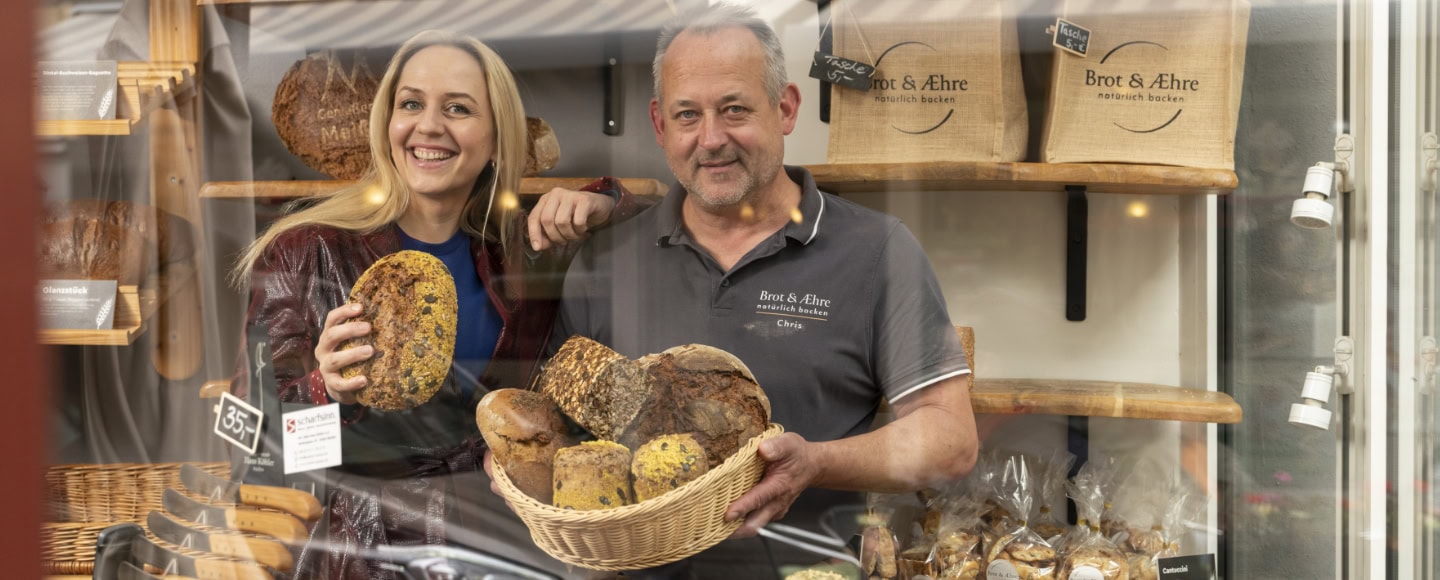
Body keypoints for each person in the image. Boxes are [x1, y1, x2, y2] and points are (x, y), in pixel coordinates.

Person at [544, 3, 979, 576]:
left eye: (734, 109)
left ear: (786, 107)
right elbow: (554, 426)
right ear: (659, 125)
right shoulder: (609, 255)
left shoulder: (877, 251)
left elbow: (950, 440)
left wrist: (815, 463)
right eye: (687, 115)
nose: (712, 138)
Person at [229, 30, 646, 579]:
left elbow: (656, 226)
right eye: (411, 104)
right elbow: (251, 449)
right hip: (359, 550)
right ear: (388, 124)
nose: (428, 125)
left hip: (492, 542)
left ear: (497, 139)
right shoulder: (305, 250)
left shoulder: (519, 251)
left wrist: (603, 198)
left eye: (458, 108)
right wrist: (321, 390)